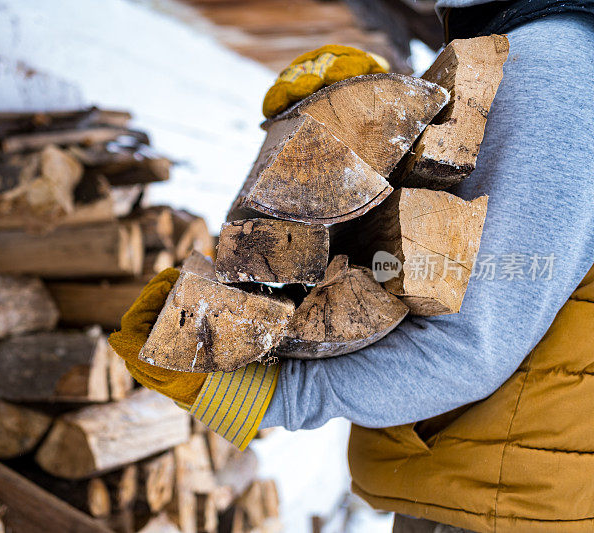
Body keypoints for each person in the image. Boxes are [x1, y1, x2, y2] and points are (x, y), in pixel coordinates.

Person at [109, 3, 594, 531]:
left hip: (500, 501)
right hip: (505, 488)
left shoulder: (556, 66)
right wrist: (363, 128)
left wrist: (262, 393)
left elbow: (468, 348)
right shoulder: (546, 50)